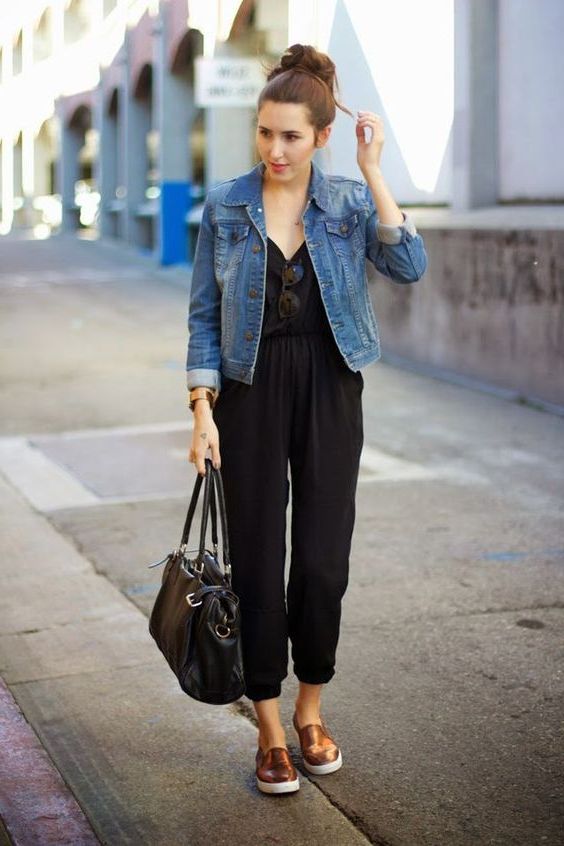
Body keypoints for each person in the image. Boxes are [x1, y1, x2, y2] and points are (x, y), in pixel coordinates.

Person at [185, 43, 427, 794]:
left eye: (292, 135)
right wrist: (201, 411)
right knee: (257, 562)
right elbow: (202, 316)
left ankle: (311, 711)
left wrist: (377, 168)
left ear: (322, 136)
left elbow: (409, 265)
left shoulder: (350, 205)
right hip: (249, 391)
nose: (275, 149)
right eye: (265, 133)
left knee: (322, 564)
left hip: (330, 386)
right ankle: (266, 726)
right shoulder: (227, 205)